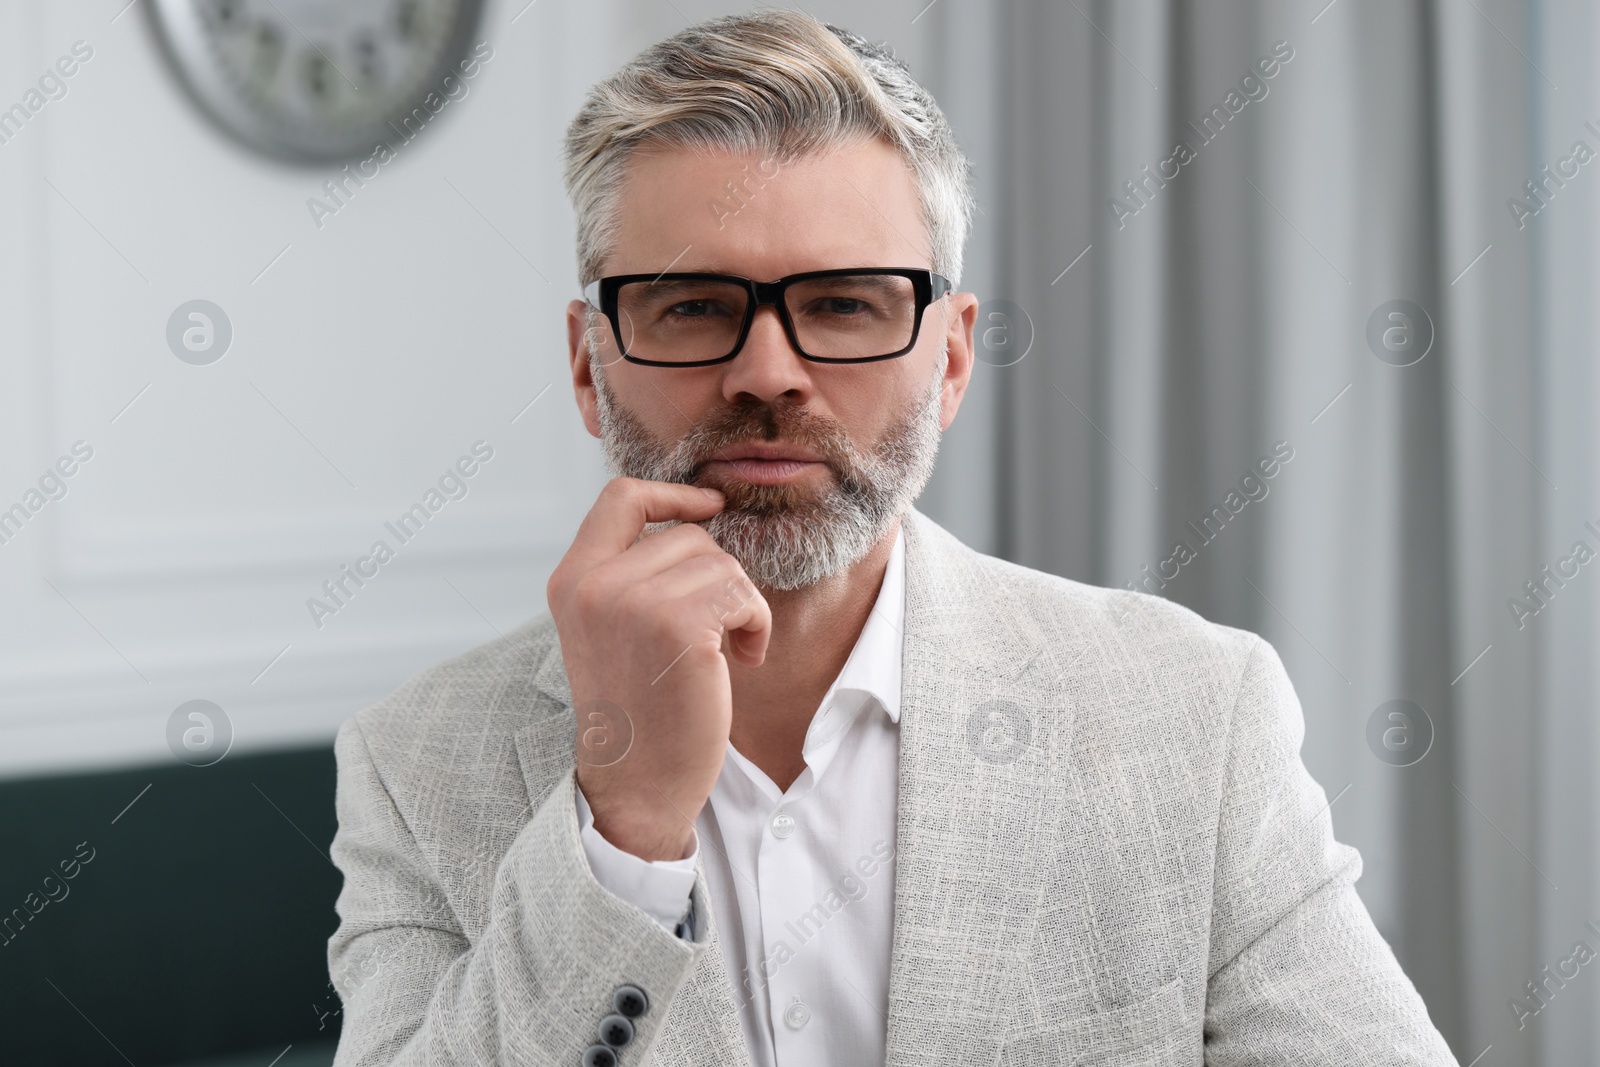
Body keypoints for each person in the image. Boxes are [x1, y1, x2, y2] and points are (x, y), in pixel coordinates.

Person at [325, 12, 1459, 1066]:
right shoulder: (414, 764)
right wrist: (622, 825)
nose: (767, 371)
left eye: (845, 304)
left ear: (951, 358)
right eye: (692, 306)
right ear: (588, 364)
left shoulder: (1195, 716)